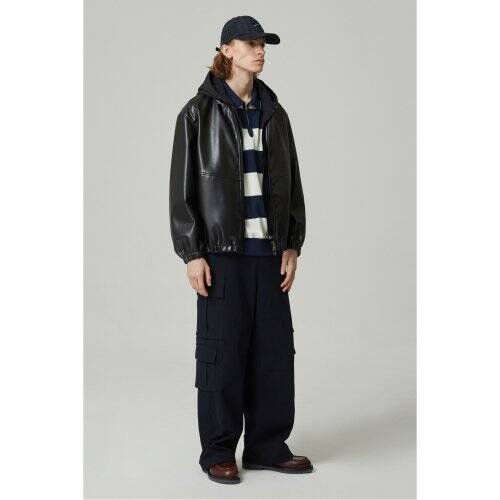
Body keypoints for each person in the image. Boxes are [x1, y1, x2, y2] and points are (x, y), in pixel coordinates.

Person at [169, 15, 311, 484]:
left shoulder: (275, 114)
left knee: (274, 356)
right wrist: (192, 253)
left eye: (263, 44)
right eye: (250, 43)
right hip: (222, 256)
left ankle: (268, 447)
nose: (260, 51)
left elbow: (291, 183)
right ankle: (218, 451)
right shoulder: (197, 113)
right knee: (222, 356)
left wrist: (291, 244)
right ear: (226, 50)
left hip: (269, 256)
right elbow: (182, 189)